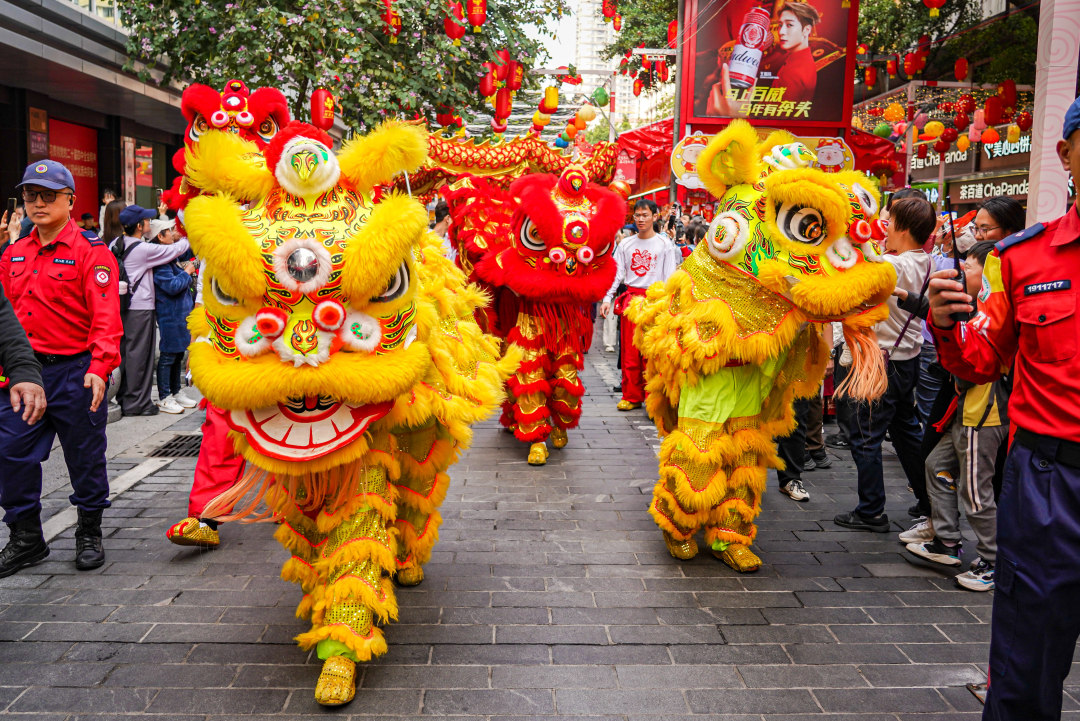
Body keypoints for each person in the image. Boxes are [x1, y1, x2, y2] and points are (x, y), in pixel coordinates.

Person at [927, 95, 1080, 721]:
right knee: (1024, 665)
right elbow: (978, 360)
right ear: (1068, 154)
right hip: (1049, 485)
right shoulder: (1025, 258)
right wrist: (944, 324)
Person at [0, 160, 122, 576]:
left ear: (71, 200)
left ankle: (89, 531)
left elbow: (106, 319)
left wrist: (100, 366)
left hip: (76, 373)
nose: (38, 203)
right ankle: (26, 538)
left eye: (48, 195)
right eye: (31, 195)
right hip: (25, 376)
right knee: (10, 452)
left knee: (85, 458)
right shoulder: (12, 254)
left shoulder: (93, 252)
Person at [904, 241, 1007, 593]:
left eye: (970, 268)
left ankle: (996, 561)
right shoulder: (973, 309)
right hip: (964, 410)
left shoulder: (995, 315)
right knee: (935, 464)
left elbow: (981, 365)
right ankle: (947, 541)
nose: (962, 274)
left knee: (976, 492)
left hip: (985, 414)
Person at [834, 197, 936, 533]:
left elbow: (852, 286)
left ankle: (871, 510)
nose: (884, 227)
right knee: (907, 434)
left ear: (903, 228)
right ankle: (928, 501)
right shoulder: (928, 263)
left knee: (866, 435)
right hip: (909, 360)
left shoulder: (894, 267)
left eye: (889, 221)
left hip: (883, 362)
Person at [599, 199, 680, 411]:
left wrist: (669, 306)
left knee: (652, 354)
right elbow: (617, 274)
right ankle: (631, 395)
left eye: (645, 215)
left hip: (655, 301)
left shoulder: (665, 245)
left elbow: (670, 277)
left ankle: (653, 397)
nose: (641, 219)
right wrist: (607, 298)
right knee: (629, 351)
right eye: (637, 215)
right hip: (631, 301)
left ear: (655, 217)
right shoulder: (625, 244)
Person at [111, 204, 191, 416]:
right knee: (140, 356)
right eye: (146, 220)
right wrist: (192, 234)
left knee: (129, 354)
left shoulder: (117, 243)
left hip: (126, 306)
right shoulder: (143, 249)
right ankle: (137, 403)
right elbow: (175, 250)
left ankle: (130, 398)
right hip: (140, 308)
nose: (148, 222)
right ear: (139, 226)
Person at [149, 218, 197, 415]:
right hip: (170, 315)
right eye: (169, 231)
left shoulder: (169, 258)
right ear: (160, 237)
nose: (173, 233)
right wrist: (187, 272)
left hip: (179, 315)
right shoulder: (160, 263)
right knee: (168, 356)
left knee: (178, 355)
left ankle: (176, 392)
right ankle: (164, 396)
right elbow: (172, 286)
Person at [771, 1, 820, 104]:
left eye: (789, 25)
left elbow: (776, 117)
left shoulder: (794, 73)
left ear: (806, 30)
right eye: (780, 25)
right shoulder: (800, 59)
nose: (781, 32)